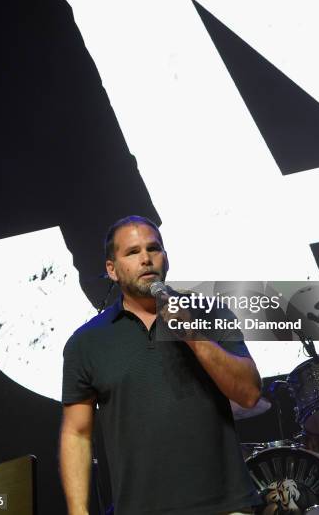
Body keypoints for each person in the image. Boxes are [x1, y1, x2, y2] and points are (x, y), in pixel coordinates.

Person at [60, 215, 262, 515]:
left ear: (165, 258)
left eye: (153, 249)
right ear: (112, 270)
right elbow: (76, 433)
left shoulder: (208, 313)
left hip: (228, 506)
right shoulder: (86, 342)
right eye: (132, 252)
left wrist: (192, 334)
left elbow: (248, 393)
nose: (145, 259)